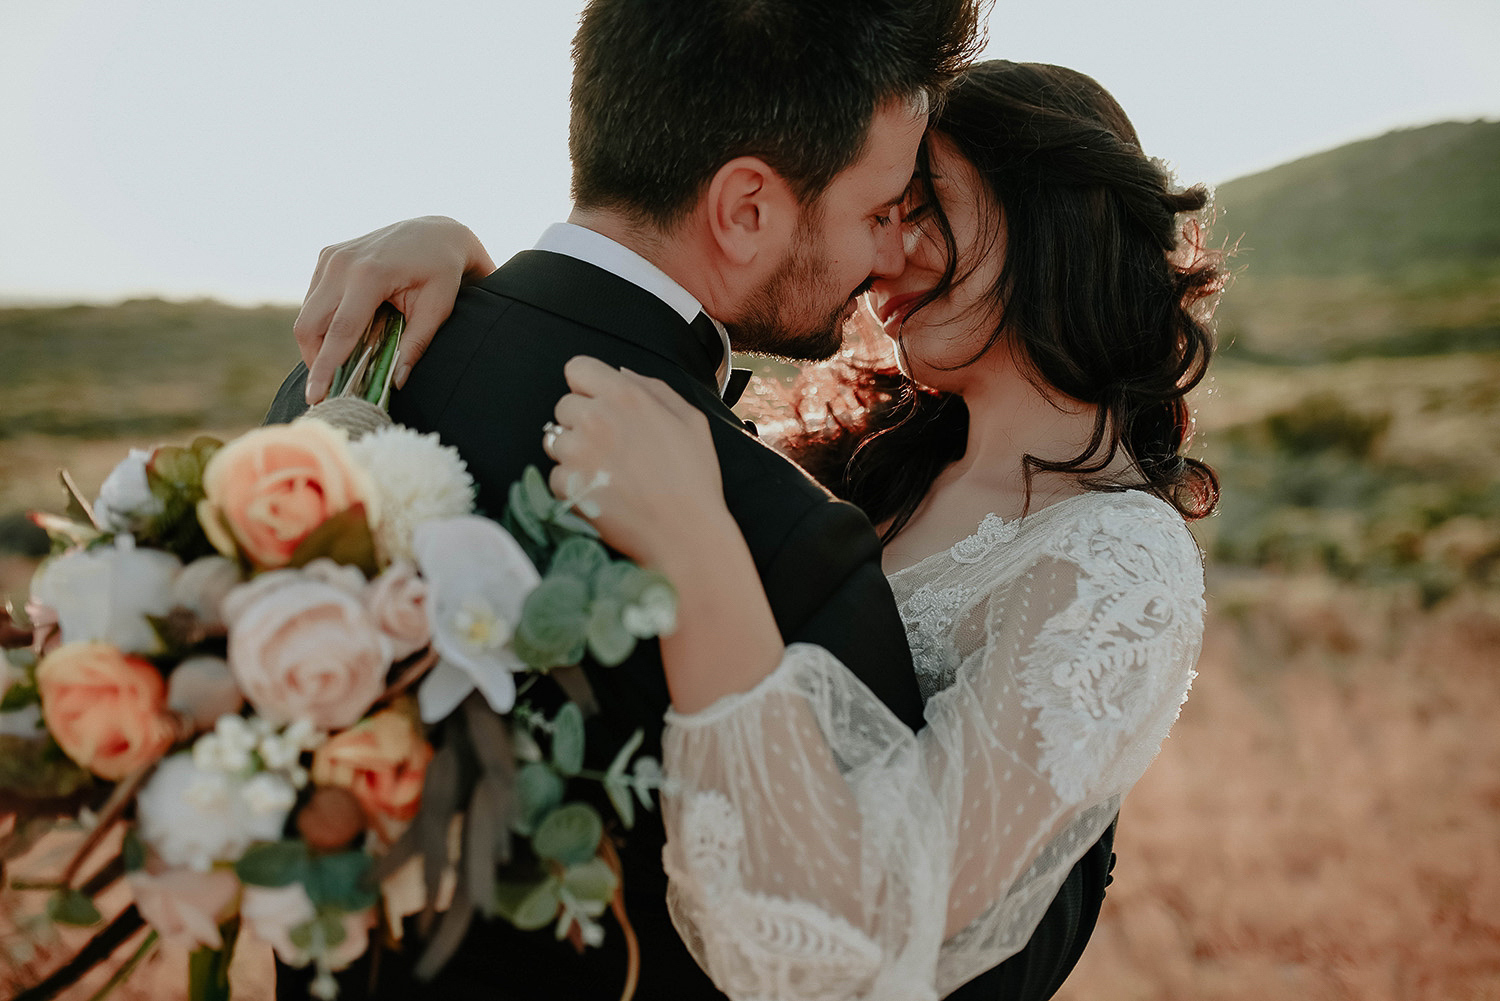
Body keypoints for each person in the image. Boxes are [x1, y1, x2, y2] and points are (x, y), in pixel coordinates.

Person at [292, 60, 1222, 1000]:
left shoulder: (1119, 557)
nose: (881, 263)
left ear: (1049, 206)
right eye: (880, 213)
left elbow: (888, 915)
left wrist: (699, 552)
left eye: (921, 207)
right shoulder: (859, 465)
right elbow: (606, 374)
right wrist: (480, 273)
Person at [265, 2, 993, 999]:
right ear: (747, 209)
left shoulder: (339, 389)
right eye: (875, 213)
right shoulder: (789, 542)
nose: (881, 263)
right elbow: (871, 945)